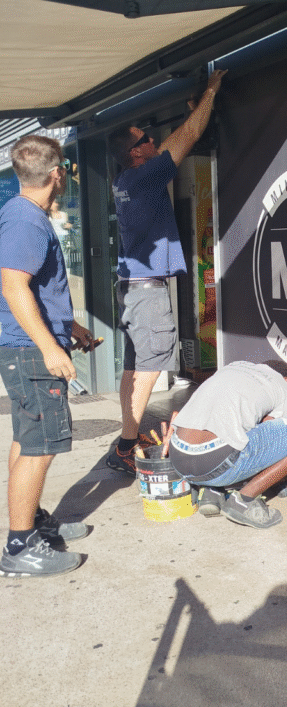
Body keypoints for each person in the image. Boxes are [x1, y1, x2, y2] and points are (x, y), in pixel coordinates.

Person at [106, 68, 226, 475]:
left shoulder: (124, 180)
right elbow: (187, 138)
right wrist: (210, 90)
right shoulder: (143, 178)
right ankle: (126, 446)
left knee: (133, 367)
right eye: (146, 140)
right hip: (145, 291)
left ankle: (127, 434)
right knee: (150, 365)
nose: (154, 143)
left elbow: (178, 136)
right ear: (136, 153)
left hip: (129, 287)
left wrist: (196, 111)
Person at [0, 135, 96, 577]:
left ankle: (32, 523)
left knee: (26, 439)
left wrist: (68, 328)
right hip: (30, 351)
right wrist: (49, 347)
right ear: (56, 174)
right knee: (40, 446)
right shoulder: (26, 220)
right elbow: (13, 285)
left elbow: (32, 287)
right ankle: (20, 549)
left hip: (26, 346)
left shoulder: (23, 214)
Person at [162, 360, 287, 529]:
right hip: (214, 463)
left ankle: (211, 492)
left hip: (178, 458)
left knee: (232, 432)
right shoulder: (284, 388)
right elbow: (268, 438)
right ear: (286, 379)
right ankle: (244, 500)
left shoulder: (234, 367)